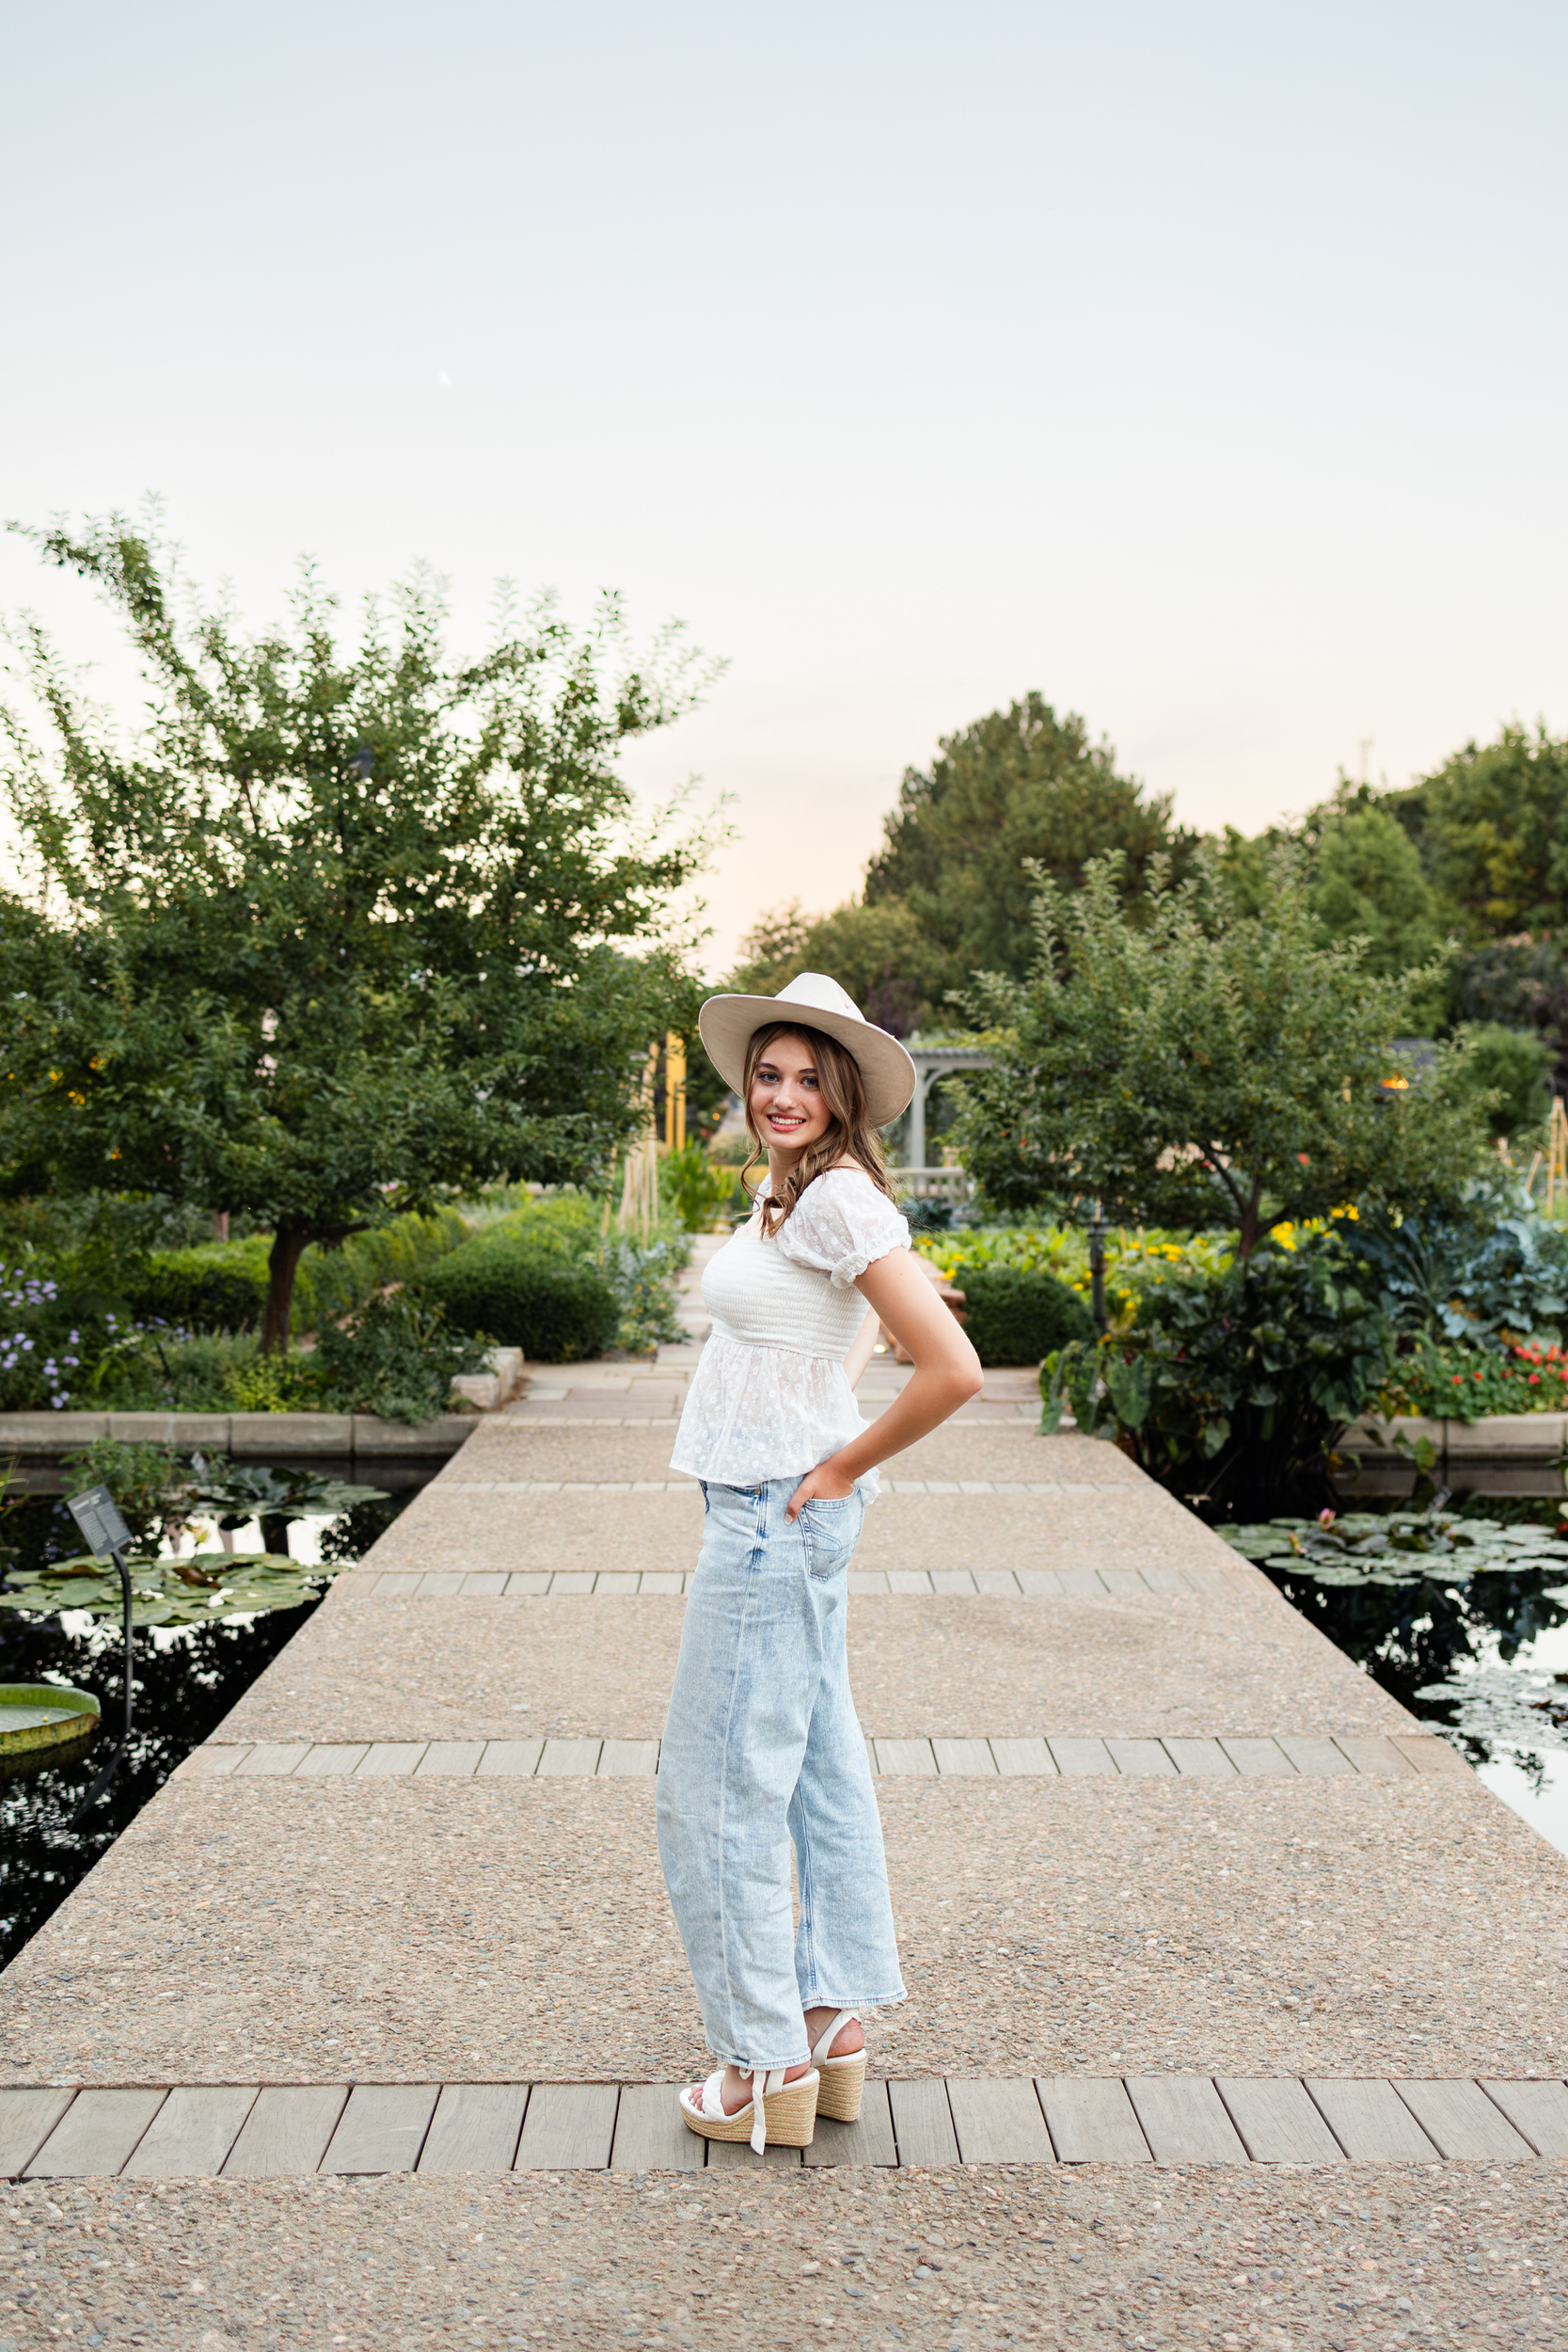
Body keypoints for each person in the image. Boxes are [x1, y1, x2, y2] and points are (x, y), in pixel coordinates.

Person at [657, 971, 984, 2153]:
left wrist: (835, 1468)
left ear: (843, 1093)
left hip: (771, 1520)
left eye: (807, 1077)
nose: (781, 1092)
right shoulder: (790, 1194)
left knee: (713, 1793)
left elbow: (949, 1364)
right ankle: (830, 2020)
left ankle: (760, 2060)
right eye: (767, 1072)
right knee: (813, 1769)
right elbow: (838, 1335)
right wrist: (823, 1425)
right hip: (774, 1510)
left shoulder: (836, 1198)